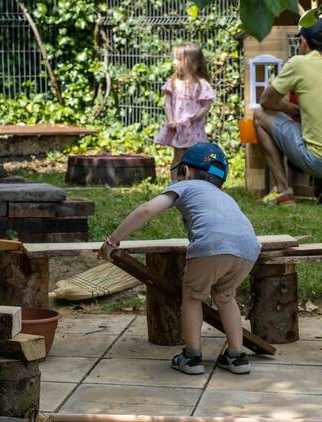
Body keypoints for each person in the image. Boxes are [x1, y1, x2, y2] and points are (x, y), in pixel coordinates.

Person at [98, 143, 261, 375]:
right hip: (248, 249)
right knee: (225, 296)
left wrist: (113, 240)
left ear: (186, 171)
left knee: (193, 297)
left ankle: (192, 356)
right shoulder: (224, 196)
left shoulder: (185, 186)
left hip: (211, 246)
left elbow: (146, 210)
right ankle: (236, 356)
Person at [253, 18, 322, 206]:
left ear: (303, 42)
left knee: (259, 115)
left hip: (320, 163)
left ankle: (283, 190)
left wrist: (292, 109)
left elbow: (266, 100)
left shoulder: (298, 63)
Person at [155, 44, 216, 182]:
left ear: (190, 62)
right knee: (178, 157)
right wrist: (170, 119)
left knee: (194, 157)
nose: (174, 62)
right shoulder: (173, 82)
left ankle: (194, 183)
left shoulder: (201, 84)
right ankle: (175, 185)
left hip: (194, 129)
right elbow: (168, 103)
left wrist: (193, 118)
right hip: (178, 128)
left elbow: (206, 106)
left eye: (178, 59)